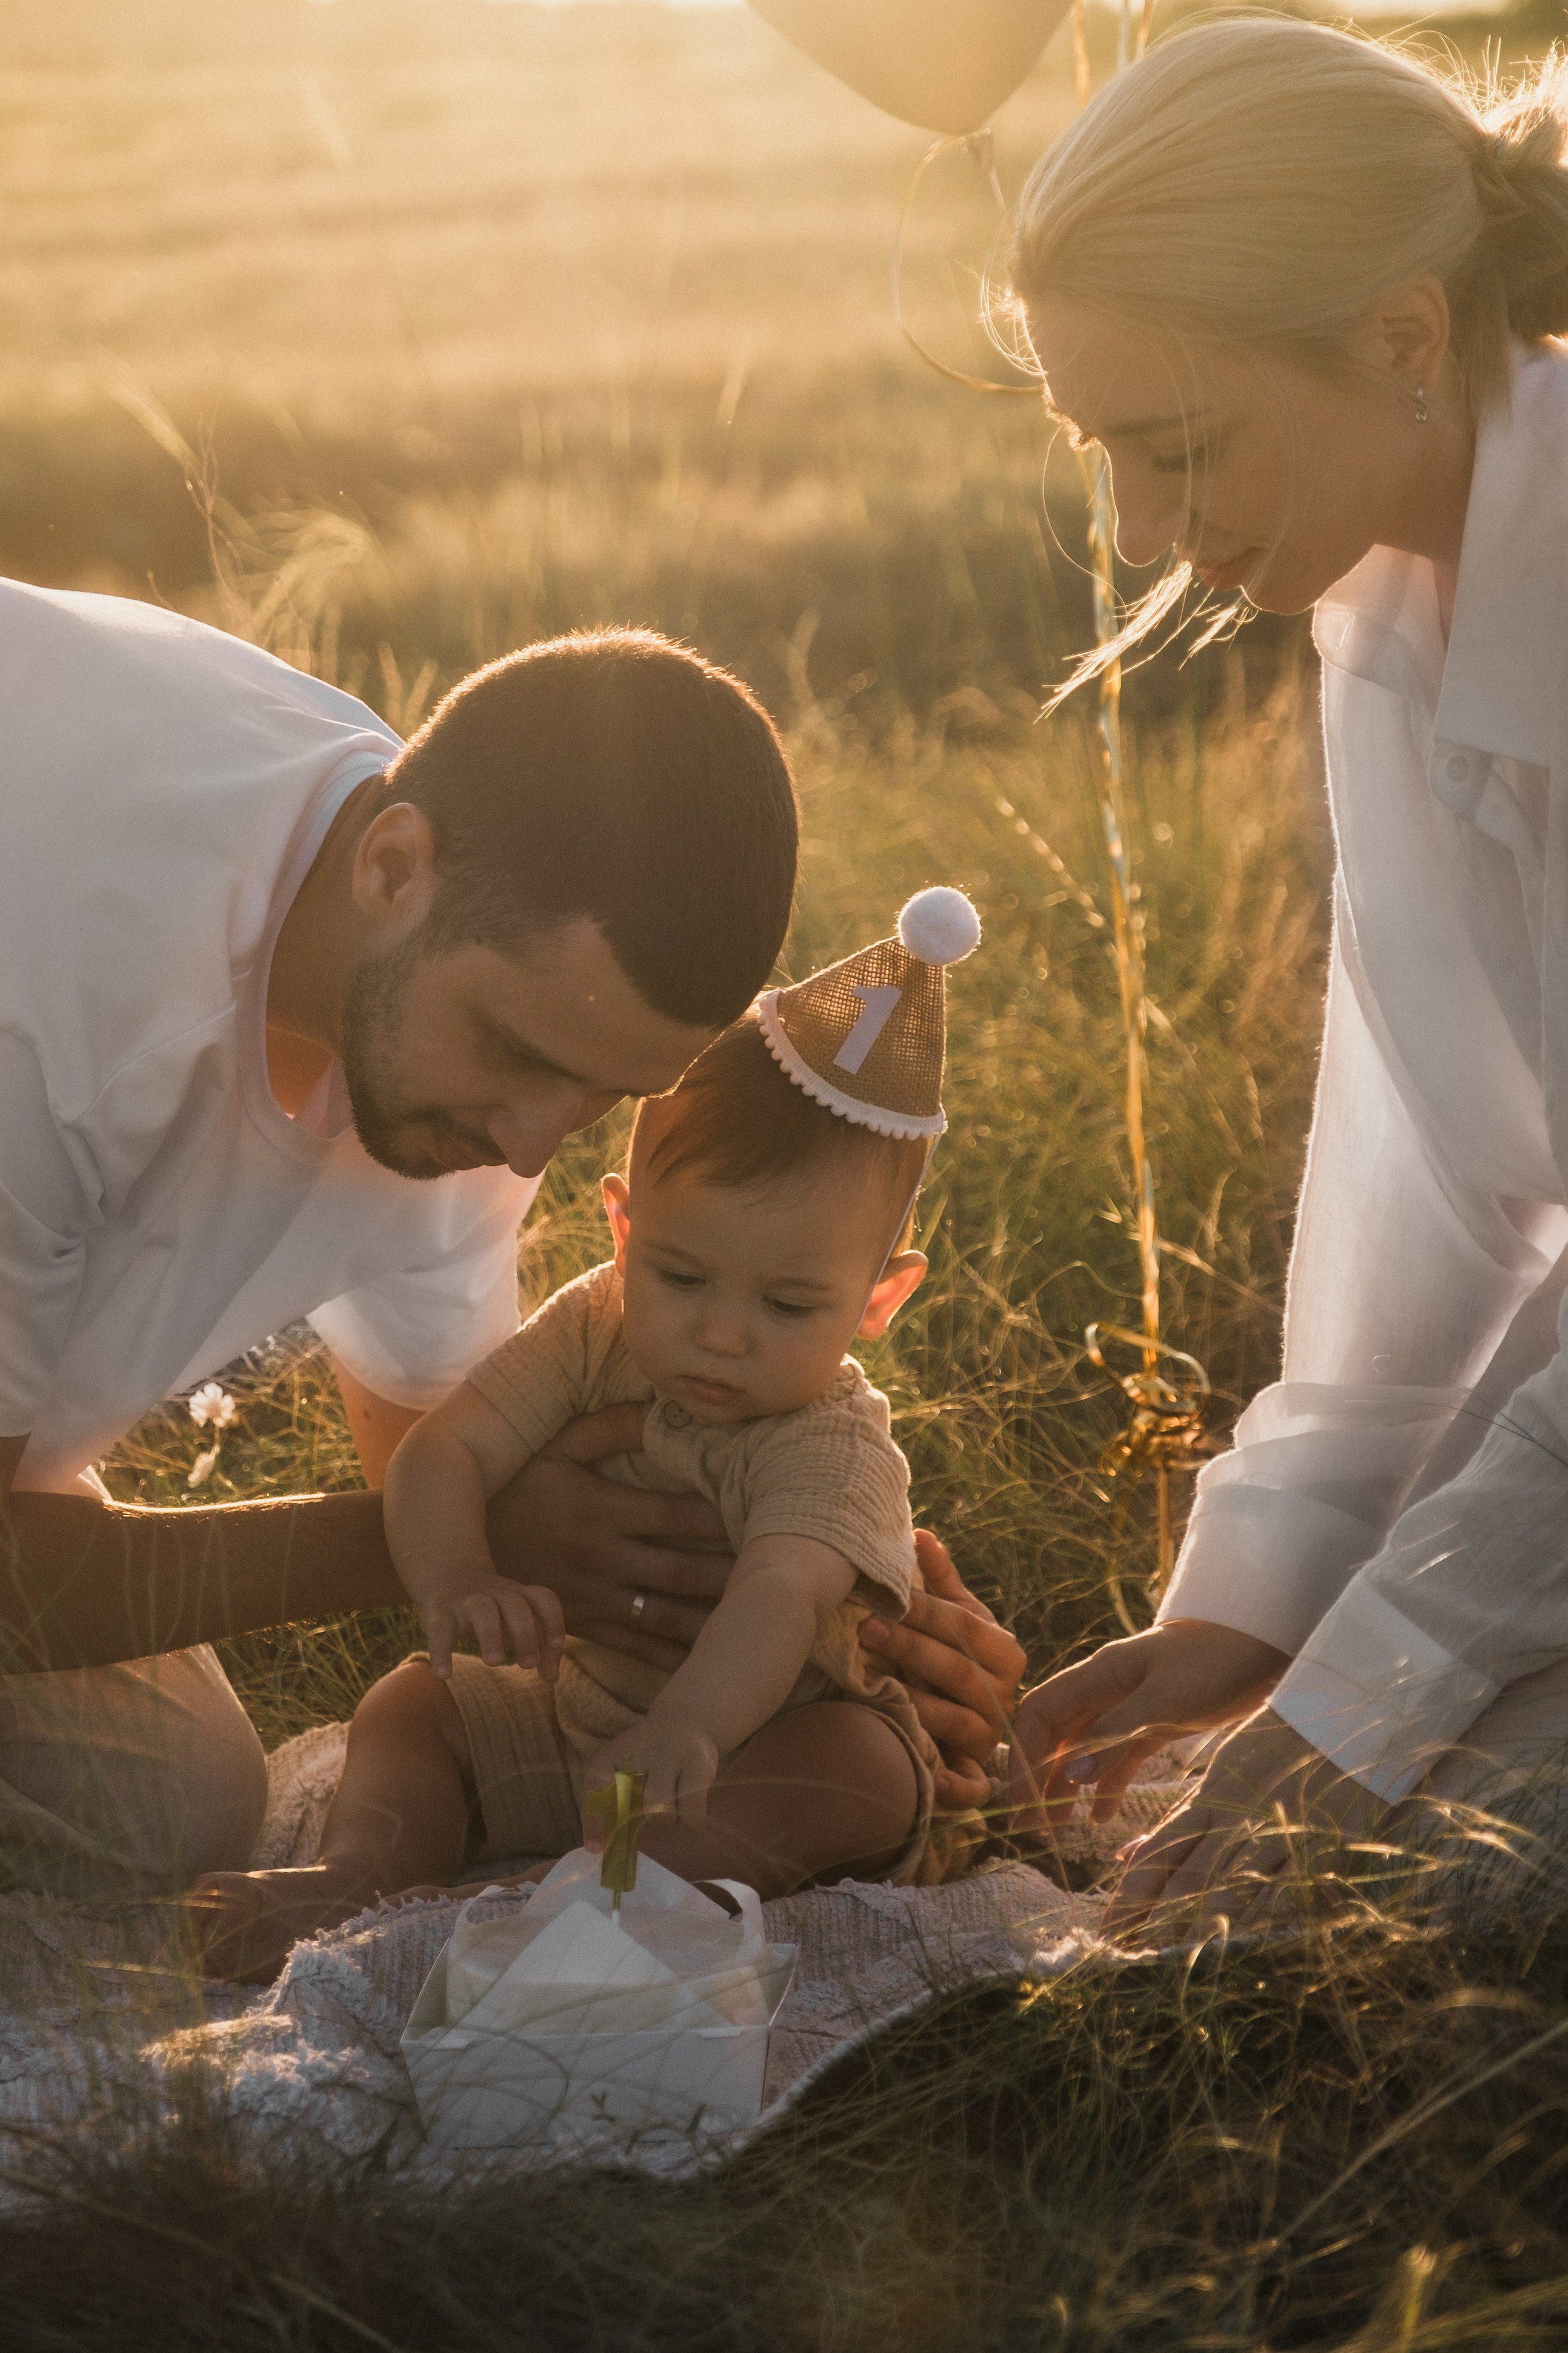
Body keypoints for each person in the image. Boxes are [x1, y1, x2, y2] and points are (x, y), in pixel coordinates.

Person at [995, 20, 1568, 1933]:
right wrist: (1268, 1604)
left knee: (1459, 1854)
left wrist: (1353, 1698)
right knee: (1354, 1825)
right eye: (1106, 462)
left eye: (1179, 452)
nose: (1142, 540)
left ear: (1406, 335)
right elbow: (1431, 1164)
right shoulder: (1397, 606)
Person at [193, 891, 987, 1979]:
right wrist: (457, 1571)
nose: (720, 1332)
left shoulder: (831, 1438)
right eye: (682, 1272)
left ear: (878, 1302)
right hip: (577, 1714)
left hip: (751, 1741)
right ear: (623, 1228)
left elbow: (780, 1593)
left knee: (860, 1766)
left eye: (788, 1305)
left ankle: (589, 1898)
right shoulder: (594, 1323)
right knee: (413, 1702)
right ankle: (362, 1877)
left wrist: (695, 1726)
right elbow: (449, 1448)